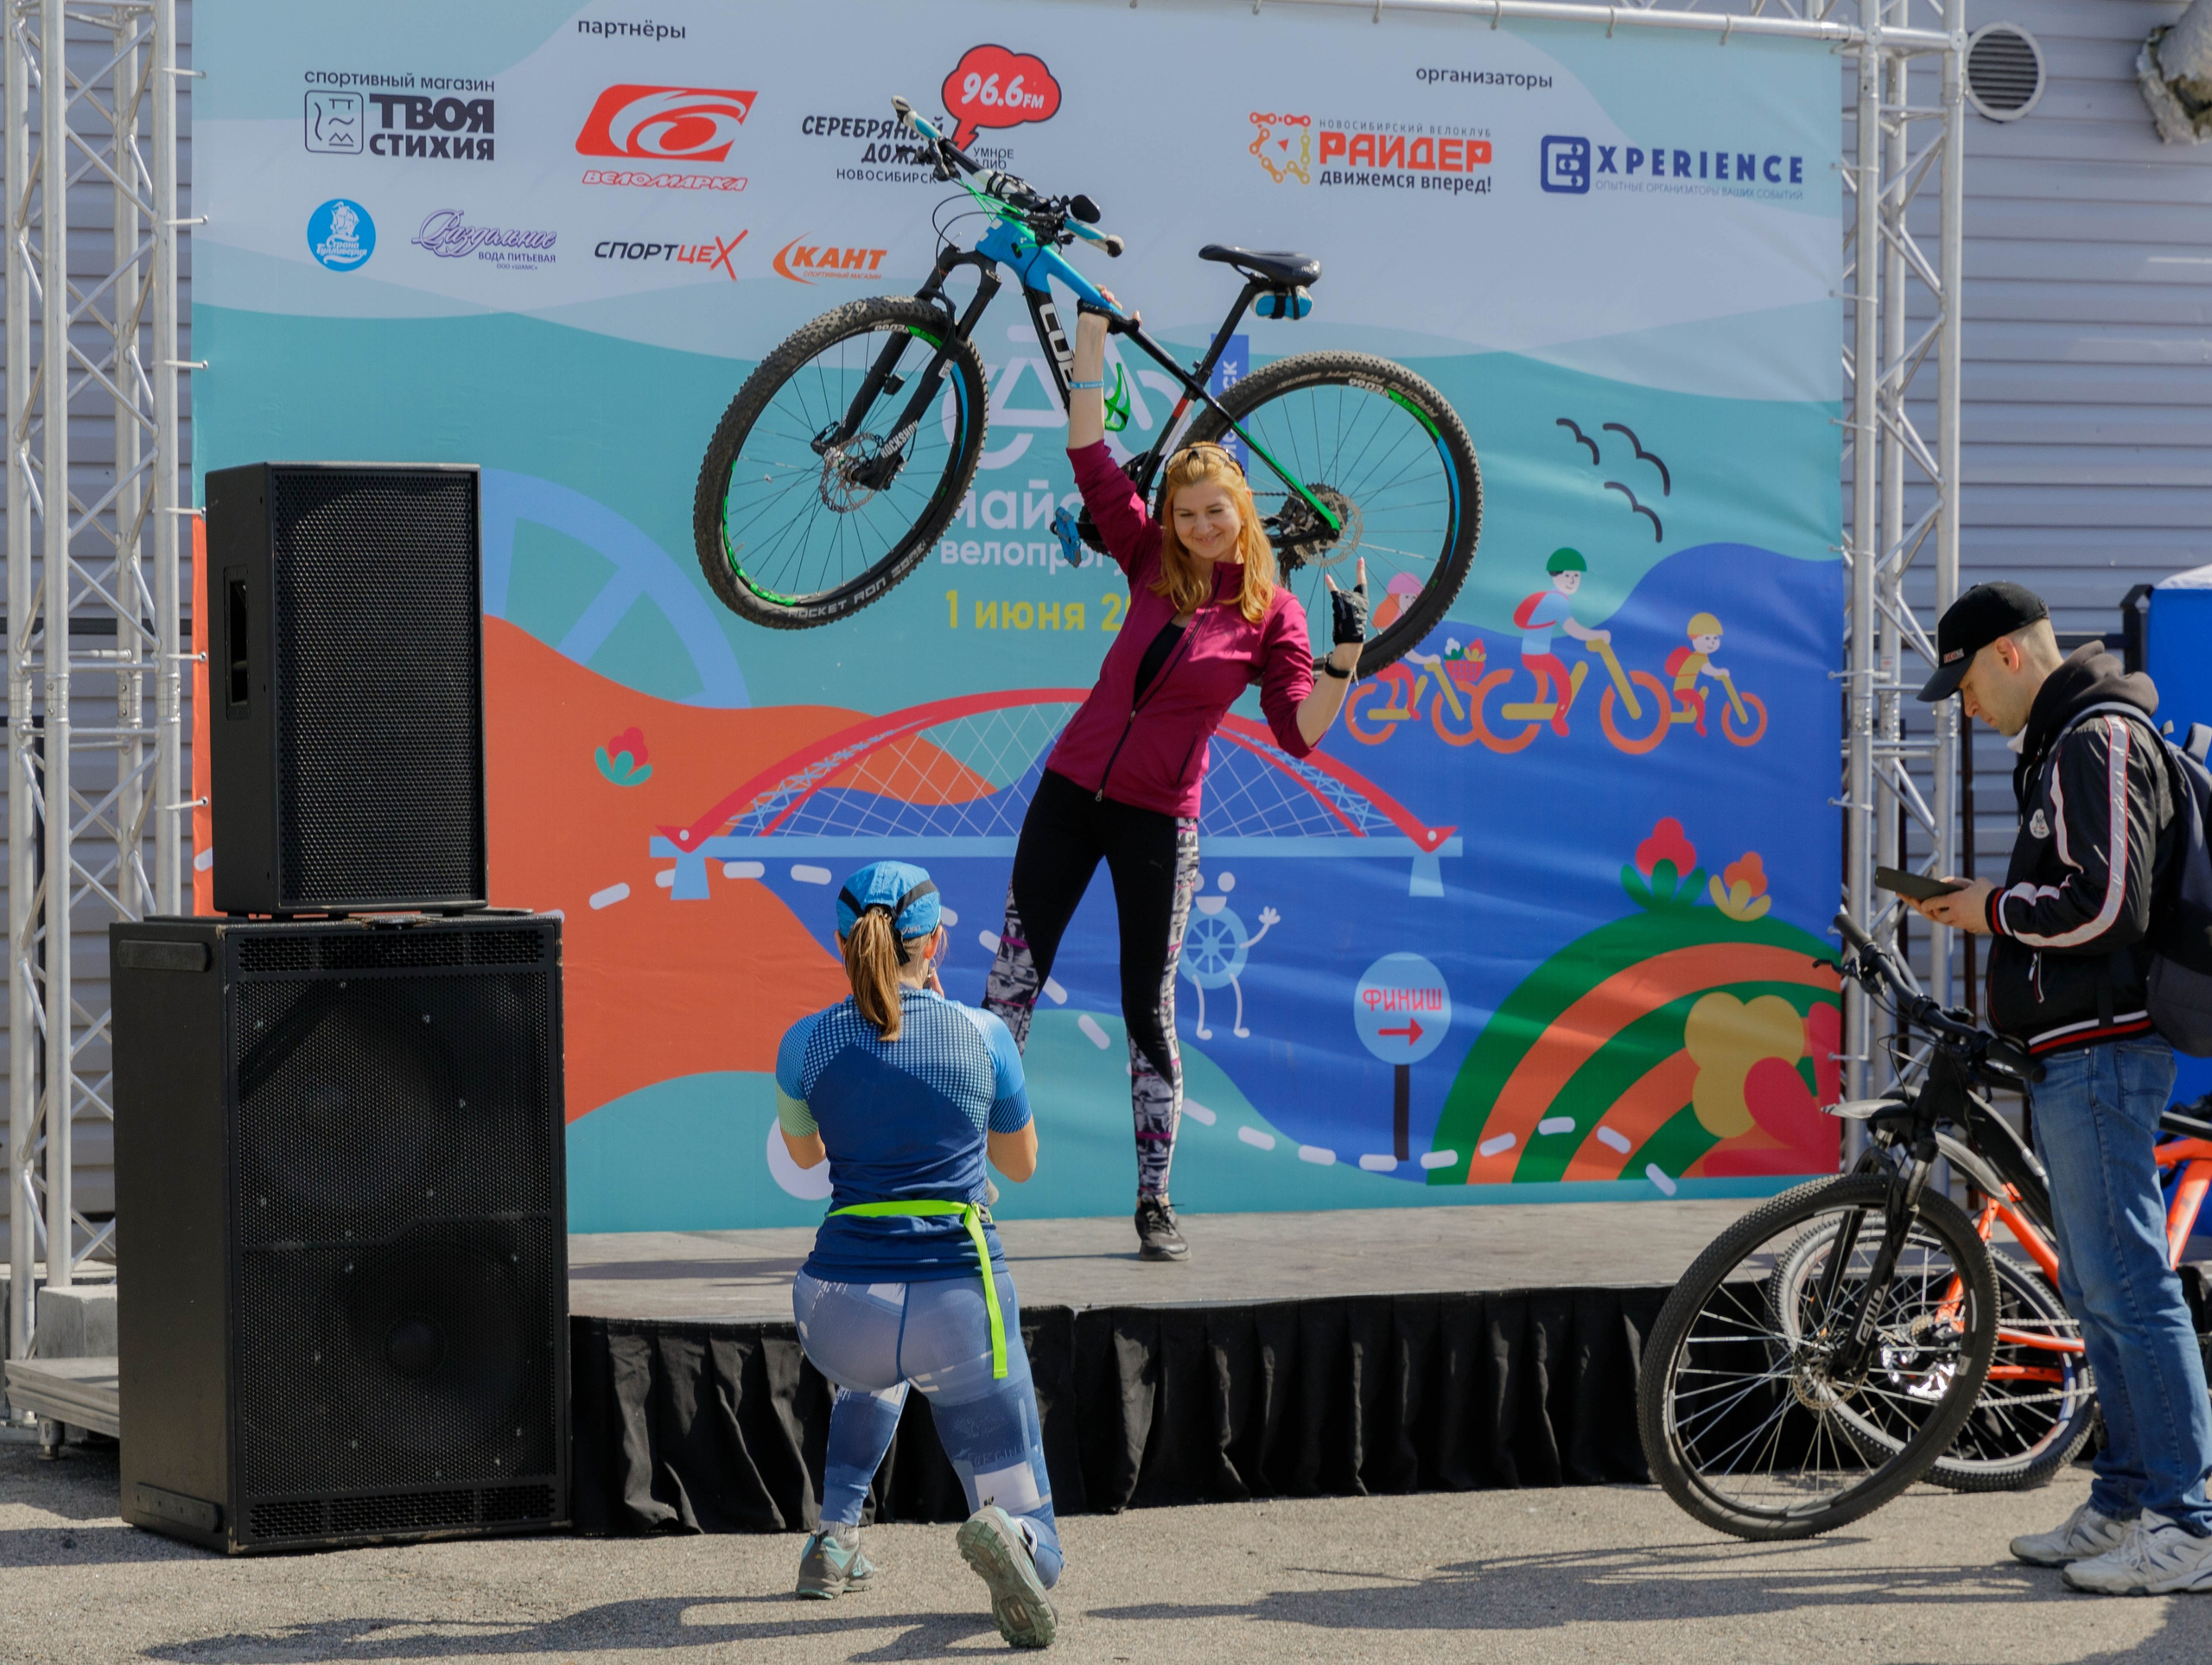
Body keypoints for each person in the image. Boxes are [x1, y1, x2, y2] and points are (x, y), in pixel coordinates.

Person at [981, 290, 1370, 1263]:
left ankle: (1154, 1201)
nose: (1200, 525)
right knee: (1008, 993)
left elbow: (1300, 735)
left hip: (1160, 821)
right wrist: (1091, 337)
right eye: (1187, 512)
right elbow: (1087, 453)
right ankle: (960, 1189)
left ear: (1245, 512)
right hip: (1070, 794)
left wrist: (1342, 659)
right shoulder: (1148, 556)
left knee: (1146, 1004)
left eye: (1216, 511)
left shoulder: (1272, 613)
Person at [1908, 581, 2212, 1596]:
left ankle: (2188, 1518)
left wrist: (1990, 909)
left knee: (2128, 1285)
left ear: (2005, 653)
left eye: (1962, 684)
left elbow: (2110, 905)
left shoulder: (2096, 737)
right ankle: (2124, 1500)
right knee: (2099, 1287)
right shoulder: (2071, 739)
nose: (1964, 707)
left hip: (2104, 1047)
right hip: (2080, 1049)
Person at [777, 860, 1064, 1648]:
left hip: (838, 1310)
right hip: (957, 1307)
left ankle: (835, 1538)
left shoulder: (804, 1042)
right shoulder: (985, 1035)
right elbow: (1020, 1163)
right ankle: (1022, 1540)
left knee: (879, 1370)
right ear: (936, 940)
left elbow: (803, 1159)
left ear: (840, 941)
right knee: (1030, 1515)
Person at [1510, 547, 1610, 735]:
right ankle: (1558, 717)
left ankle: (1547, 709)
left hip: (1534, 653)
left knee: (1554, 681)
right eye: (1567, 576)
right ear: (1554, 576)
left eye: (1576, 576)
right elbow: (1572, 629)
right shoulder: (1557, 600)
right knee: (1565, 682)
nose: (1572, 581)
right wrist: (1597, 635)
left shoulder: (1552, 597)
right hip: (1537, 655)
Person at [1665, 612, 1726, 735]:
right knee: (1699, 701)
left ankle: (1684, 714)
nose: (1712, 642)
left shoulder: (1700, 656)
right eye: (1707, 638)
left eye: (1715, 638)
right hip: (1682, 689)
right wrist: (1720, 672)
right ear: (1695, 638)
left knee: (1694, 700)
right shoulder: (1698, 657)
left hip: (1683, 688)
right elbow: (1707, 669)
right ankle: (1699, 724)